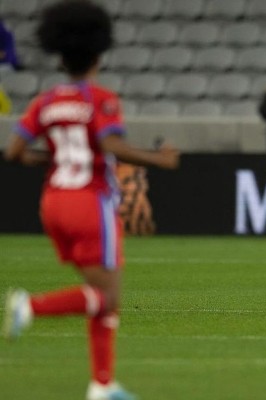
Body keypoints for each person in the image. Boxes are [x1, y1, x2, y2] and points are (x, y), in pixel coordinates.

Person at [2, 2, 179, 399]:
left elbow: (14, 152)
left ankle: (102, 385)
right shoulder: (101, 98)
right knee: (108, 296)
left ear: (60, 57)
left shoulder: (45, 102)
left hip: (53, 203)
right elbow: (109, 143)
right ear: (99, 54)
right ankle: (30, 306)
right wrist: (159, 160)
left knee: (101, 298)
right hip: (89, 203)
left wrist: (55, 157)